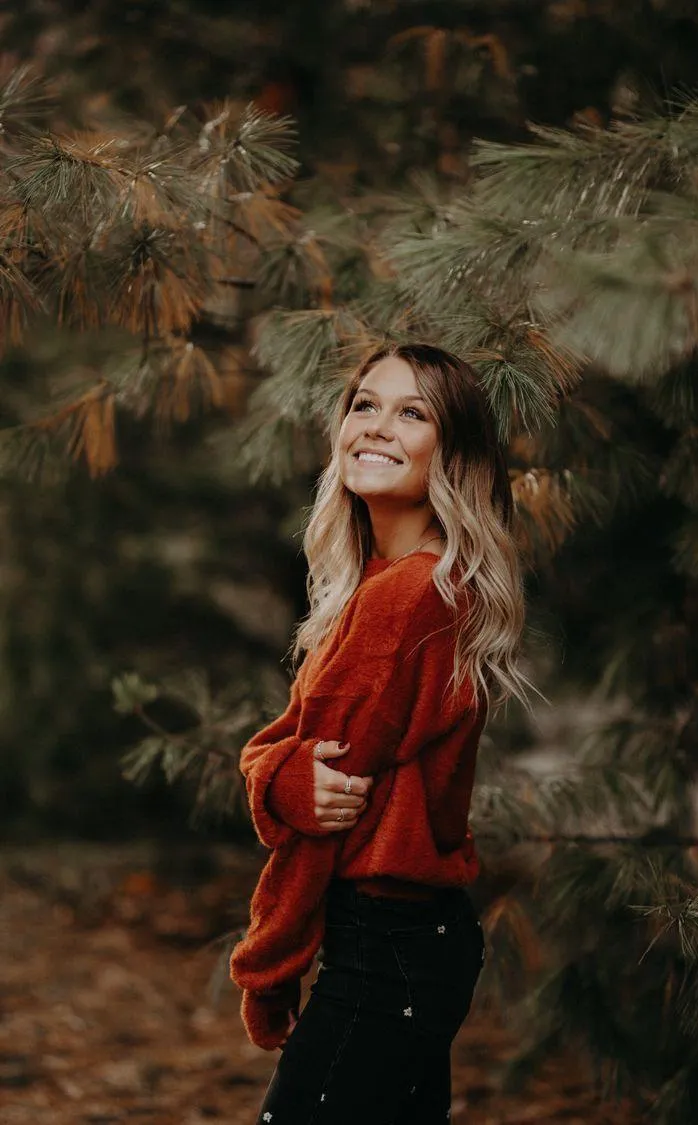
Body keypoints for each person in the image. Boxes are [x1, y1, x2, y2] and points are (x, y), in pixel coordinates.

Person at [229, 342, 531, 1124]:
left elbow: (322, 819)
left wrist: (266, 970)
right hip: (415, 941)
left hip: (386, 948)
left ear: (452, 452)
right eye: (365, 404)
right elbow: (306, 754)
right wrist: (280, 769)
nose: (376, 426)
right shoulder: (407, 583)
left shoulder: (405, 599)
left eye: (413, 412)